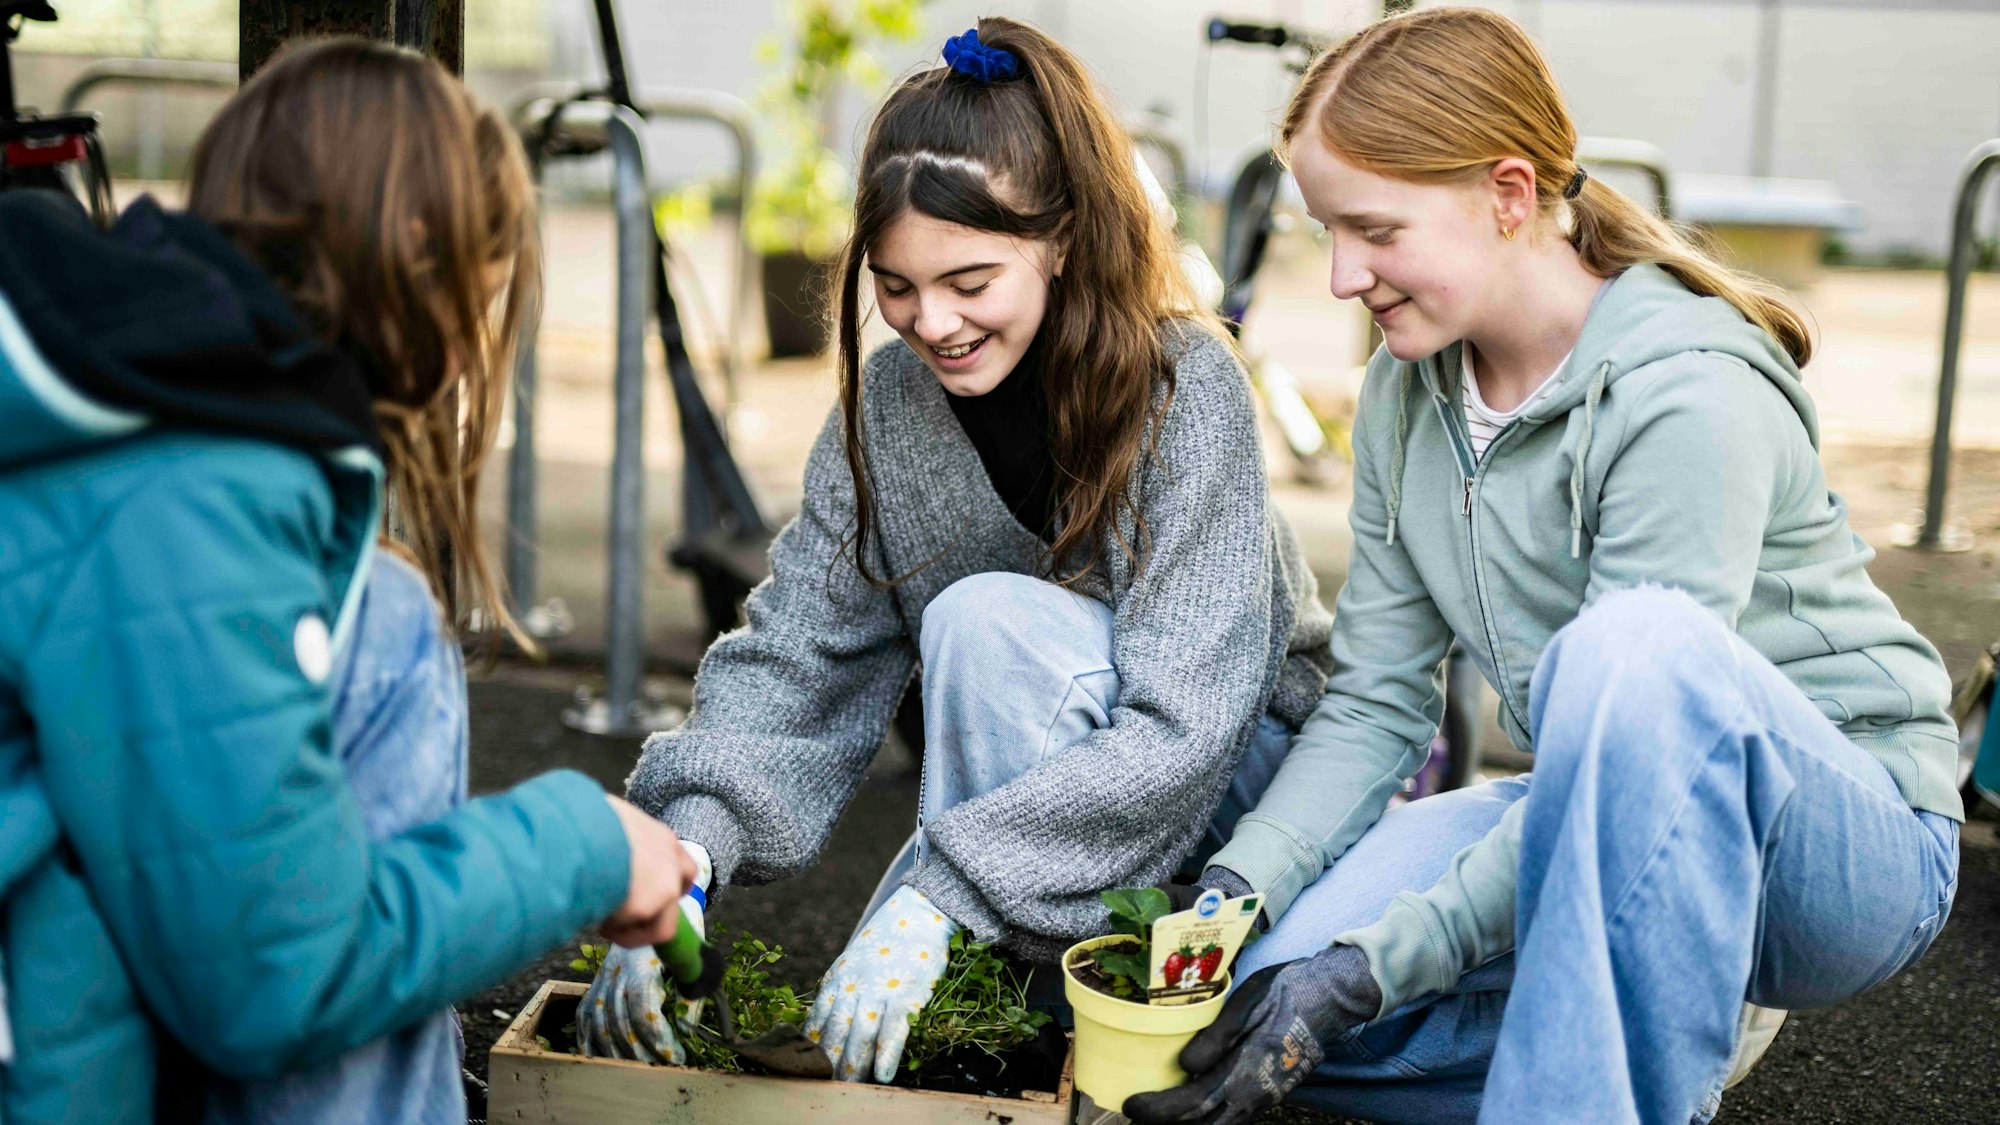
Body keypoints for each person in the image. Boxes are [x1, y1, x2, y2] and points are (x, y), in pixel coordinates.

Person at [1123, 8, 1963, 1125]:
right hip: (1579, 801)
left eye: (1373, 230)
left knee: (1636, 649)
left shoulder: (1681, 393)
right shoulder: (1402, 394)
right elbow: (1376, 701)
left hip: (1838, 856)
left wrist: (1377, 968)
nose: (1339, 277)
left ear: (1508, 196)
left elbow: (1643, 722)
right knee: (1259, 992)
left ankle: (1650, 1022)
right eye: (1323, 231)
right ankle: (1657, 1027)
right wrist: (1237, 891)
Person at [579, 17, 1334, 1084]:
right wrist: (682, 860)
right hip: (1034, 837)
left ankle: (999, 992)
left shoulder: (1184, 388)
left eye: (970, 282)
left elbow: (1185, 729)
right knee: (865, 1014)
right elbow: (798, 654)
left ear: (1062, 242)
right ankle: (1001, 1007)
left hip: (1231, 800)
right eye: (894, 285)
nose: (929, 322)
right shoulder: (886, 406)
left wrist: (942, 897)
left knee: (981, 621)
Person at [0, 39, 698, 1124]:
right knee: (385, 623)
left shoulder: (136, 399)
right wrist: (589, 845)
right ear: (424, 259)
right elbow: (277, 978)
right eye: (486, 292)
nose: (476, 345)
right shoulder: (195, 494)